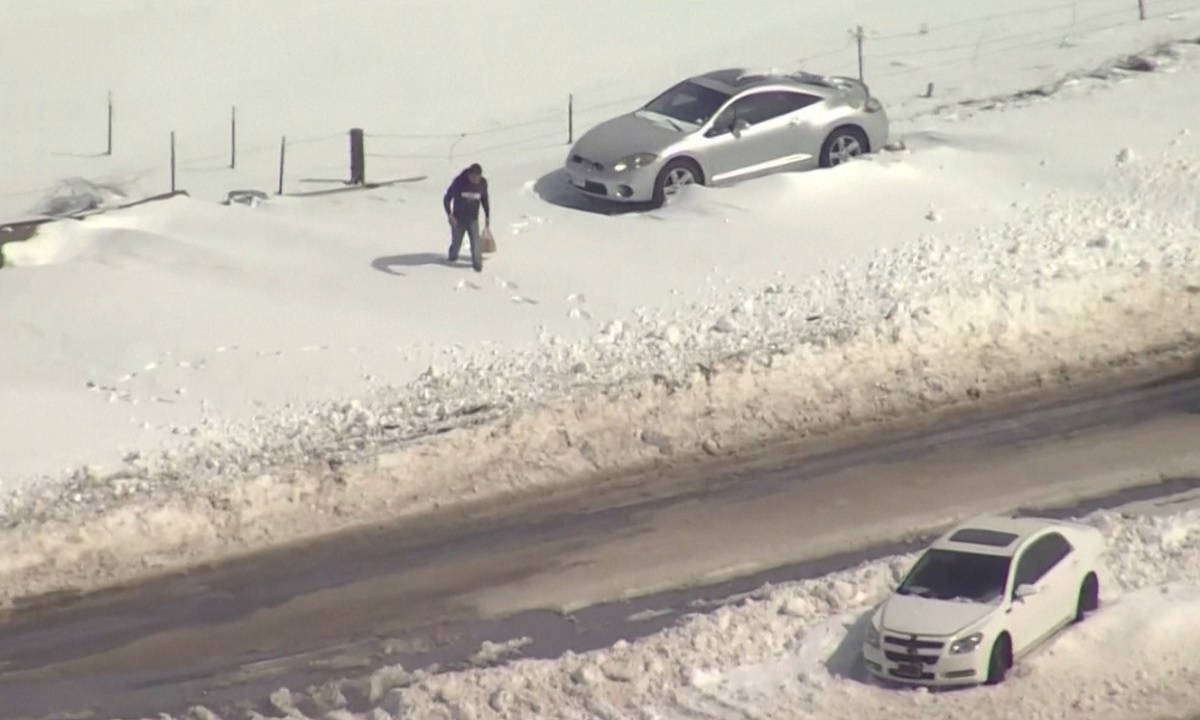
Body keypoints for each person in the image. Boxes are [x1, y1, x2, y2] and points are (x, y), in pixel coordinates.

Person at [442, 163, 490, 272]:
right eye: (473, 177)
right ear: (469, 175)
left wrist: (487, 215)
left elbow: (484, 199)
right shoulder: (459, 182)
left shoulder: (483, 184)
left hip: (473, 219)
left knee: (476, 246)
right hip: (458, 219)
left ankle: (477, 267)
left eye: (477, 177)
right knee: (456, 246)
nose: (475, 180)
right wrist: (449, 215)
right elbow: (447, 199)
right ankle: (452, 257)